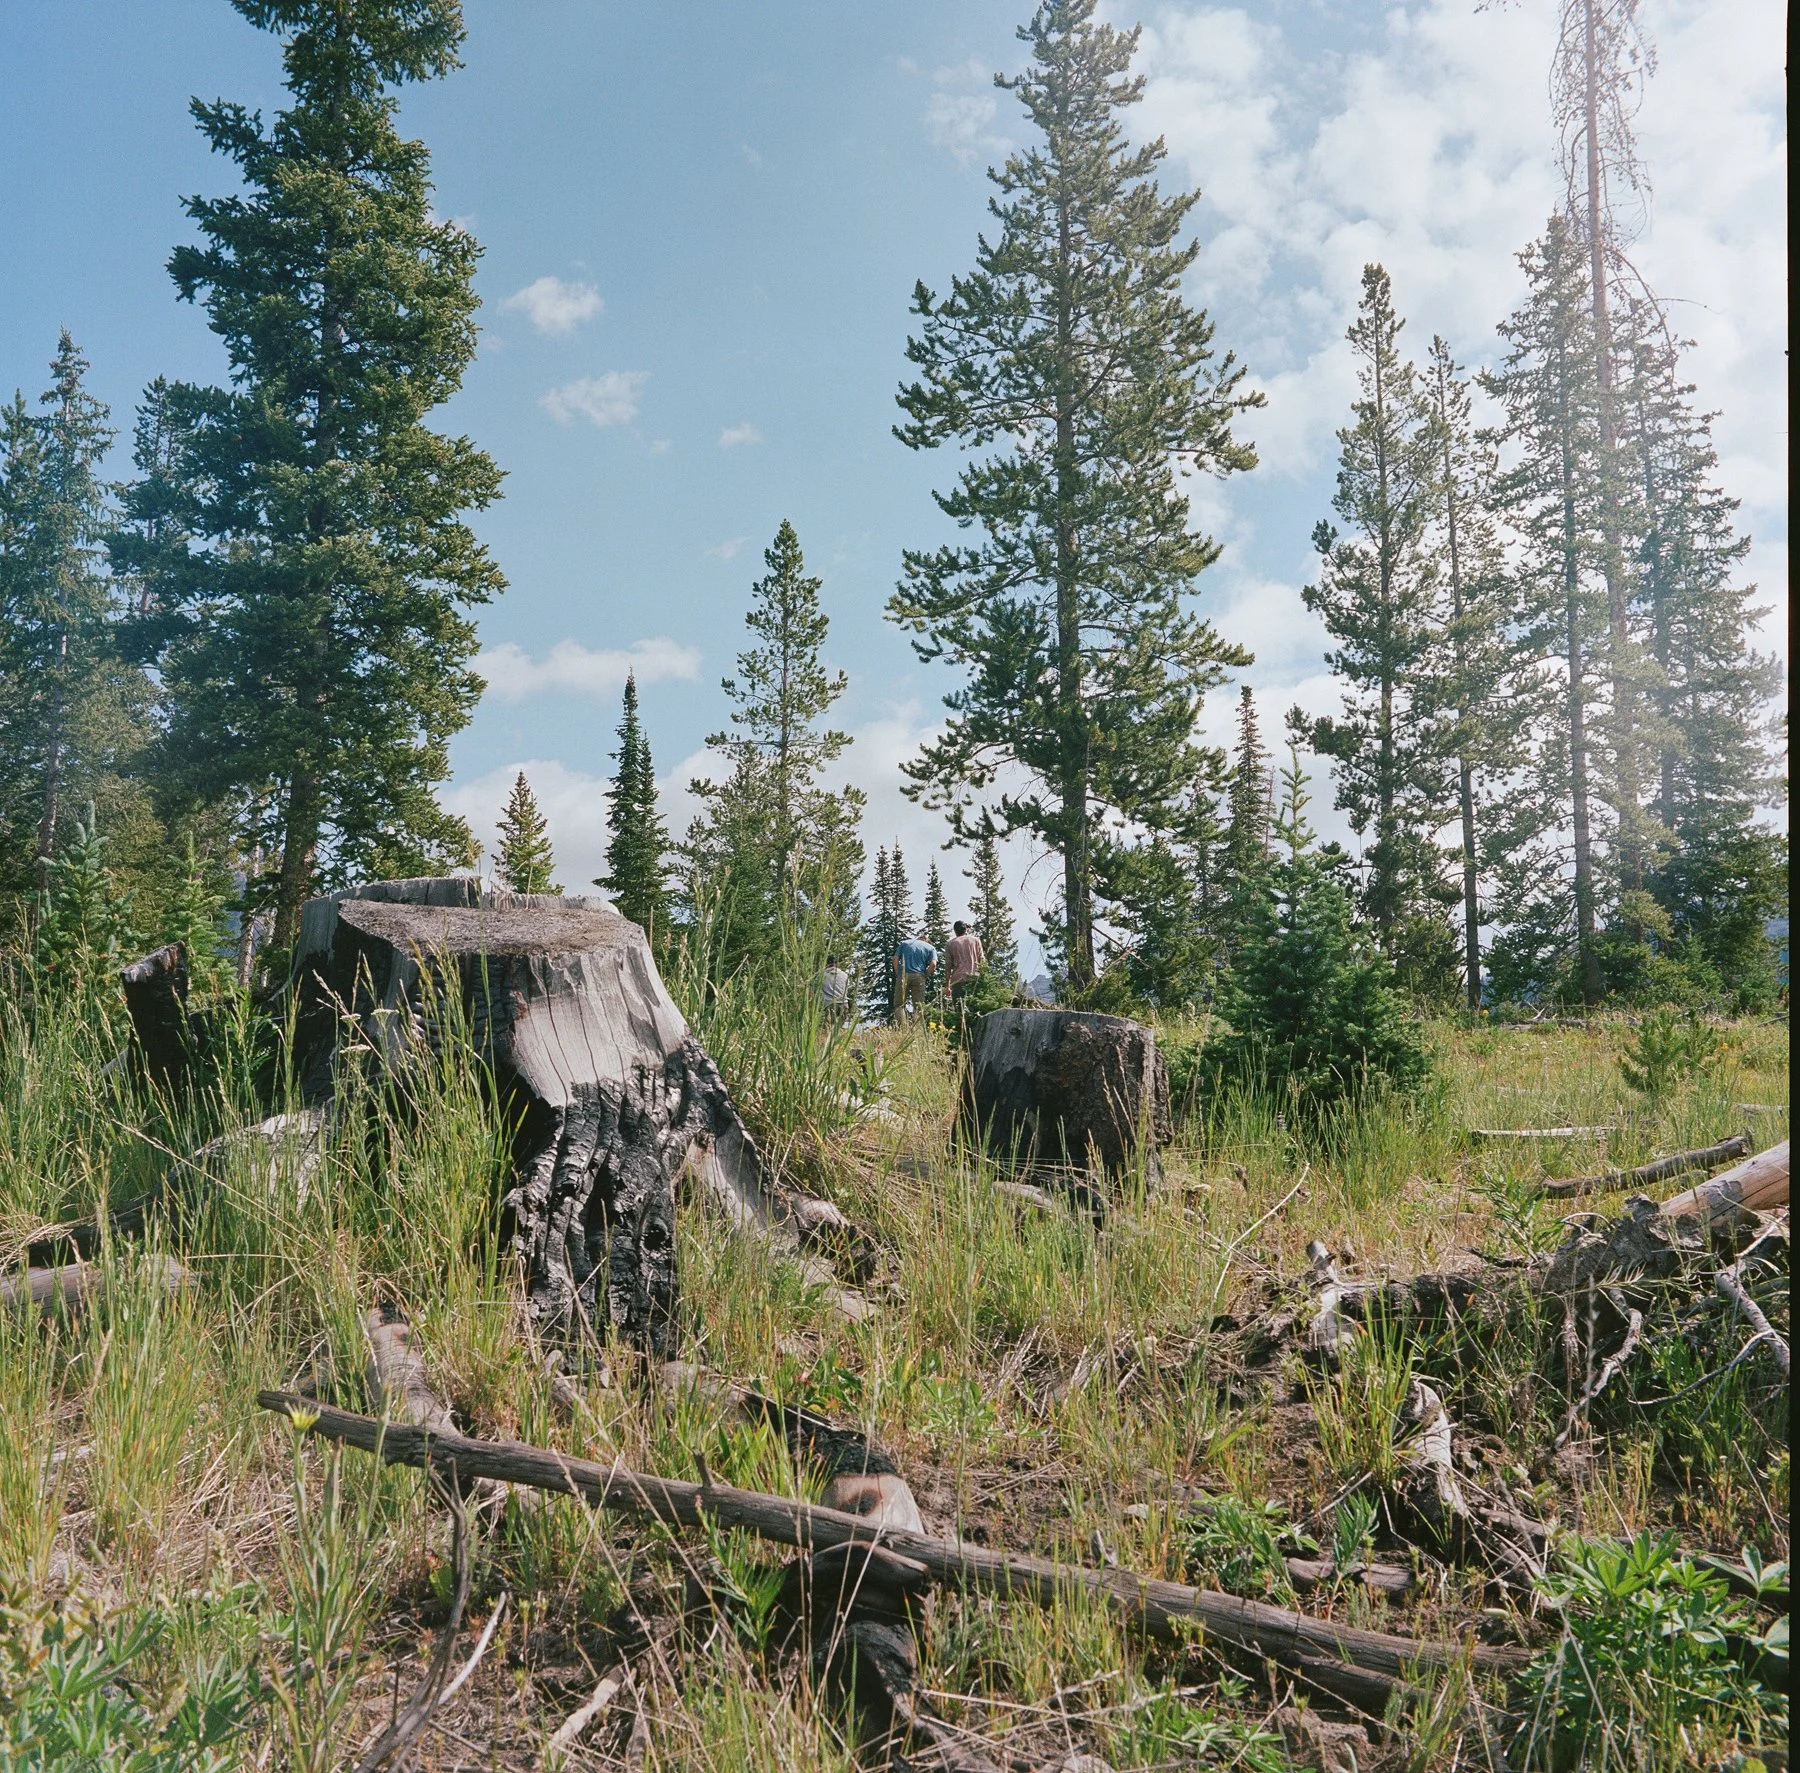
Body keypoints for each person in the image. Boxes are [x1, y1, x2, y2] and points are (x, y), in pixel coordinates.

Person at [891, 929, 938, 1023]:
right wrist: (925, 975)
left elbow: (895, 959)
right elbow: (933, 964)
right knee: (918, 1005)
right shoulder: (930, 948)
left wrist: (898, 973)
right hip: (919, 976)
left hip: (903, 975)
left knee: (899, 1004)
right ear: (927, 941)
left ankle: (901, 1027)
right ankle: (917, 1028)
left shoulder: (905, 943)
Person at [943, 919, 986, 1006]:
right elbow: (982, 960)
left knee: (959, 1008)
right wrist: (983, 977)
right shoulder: (976, 941)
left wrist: (947, 986)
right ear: (966, 929)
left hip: (958, 980)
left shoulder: (950, 944)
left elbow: (948, 966)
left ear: (955, 931)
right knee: (975, 1008)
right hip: (974, 978)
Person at [819, 954, 851, 1022]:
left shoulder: (822, 975)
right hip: (844, 1004)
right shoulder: (844, 975)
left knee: (829, 1029)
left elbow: (814, 988)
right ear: (837, 963)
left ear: (827, 963)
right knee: (841, 1029)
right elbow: (847, 987)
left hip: (830, 1004)